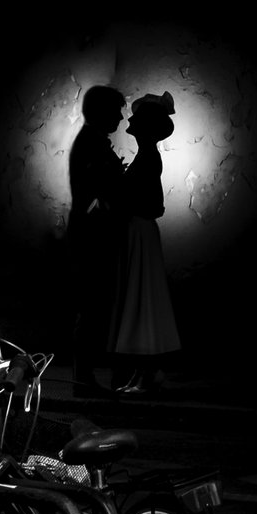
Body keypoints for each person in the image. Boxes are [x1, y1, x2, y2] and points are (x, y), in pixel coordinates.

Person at [108, 90, 183, 390]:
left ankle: (146, 372)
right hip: (139, 231)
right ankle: (144, 372)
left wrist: (121, 191)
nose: (130, 122)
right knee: (140, 298)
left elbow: (155, 203)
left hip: (140, 230)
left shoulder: (149, 158)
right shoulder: (146, 156)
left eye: (137, 120)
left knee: (141, 298)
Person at [66, 86, 127, 397]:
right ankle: (83, 377)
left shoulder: (92, 142)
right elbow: (93, 196)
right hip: (91, 239)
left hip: (90, 236)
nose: (120, 116)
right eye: (116, 110)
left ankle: (84, 376)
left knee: (92, 306)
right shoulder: (92, 144)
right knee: (91, 306)